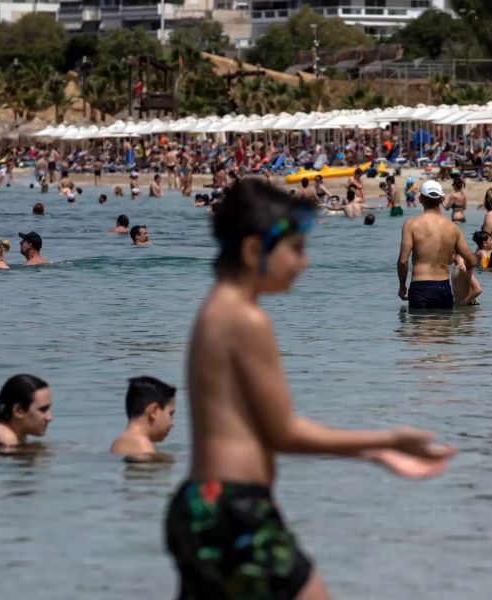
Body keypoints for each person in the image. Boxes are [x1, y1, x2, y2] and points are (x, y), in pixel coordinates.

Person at [165, 179, 455, 600]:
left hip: (201, 504)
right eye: (296, 250)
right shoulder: (246, 320)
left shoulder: (214, 309)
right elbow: (284, 432)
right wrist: (386, 441)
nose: (304, 262)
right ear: (252, 252)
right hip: (234, 507)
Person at [398, 180, 480, 309]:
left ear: (420, 199)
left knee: (420, 327)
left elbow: (403, 261)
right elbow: (472, 261)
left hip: (420, 287)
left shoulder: (411, 225)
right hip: (443, 287)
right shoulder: (453, 228)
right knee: (443, 327)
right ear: (442, 199)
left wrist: (402, 286)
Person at [0, 374, 52, 448]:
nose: (49, 417)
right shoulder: (7, 438)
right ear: (18, 411)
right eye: (42, 410)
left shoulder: (10, 431)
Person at [110, 376, 175, 457]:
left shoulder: (121, 441)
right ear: (154, 411)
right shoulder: (141, 446)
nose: (172, 423)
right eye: (170, 414)